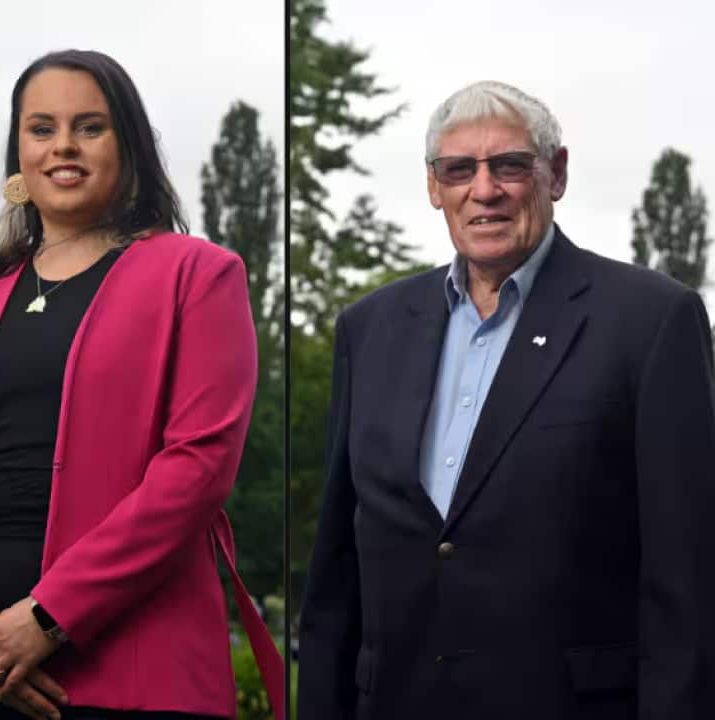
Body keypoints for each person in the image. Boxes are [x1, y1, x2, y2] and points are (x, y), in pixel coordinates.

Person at [296, 80, 715, 719]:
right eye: (459, 169)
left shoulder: (651, 321)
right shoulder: (371, 327)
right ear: (435, 187)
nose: (484, 190)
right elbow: (336, 571)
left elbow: (686, 581)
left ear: (557, 174)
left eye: (510, 165)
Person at [0, 49, 282, 720]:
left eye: (90, 127)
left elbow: (196, 470)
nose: (63, 147)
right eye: (41, 128)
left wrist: (45, 619)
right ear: (19, 150)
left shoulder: (199, 276)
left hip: (138, 668)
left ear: (127, 145)